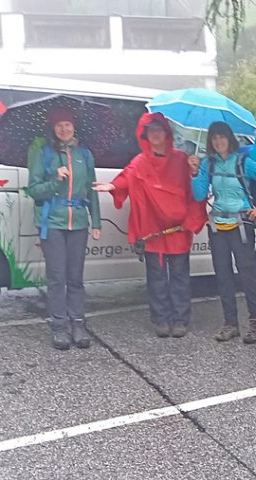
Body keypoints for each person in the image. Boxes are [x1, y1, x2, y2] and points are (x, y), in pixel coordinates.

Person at [93, 112, 207, 338]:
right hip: (153, 230)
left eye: (159, 130)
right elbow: (126, 178)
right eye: (151, 131)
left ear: (166, 133)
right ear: (145, 135)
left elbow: (197, 191)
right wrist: (113, 187)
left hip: (178, 230)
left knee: (179, 276)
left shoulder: (182, 159)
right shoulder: (140, 161)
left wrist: (195, 171)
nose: (155, 134)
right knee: (156, 277)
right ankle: (161, 319)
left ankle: (181, 319)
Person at [189, 121, 256, 344]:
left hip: (241, 225)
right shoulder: (208, 163)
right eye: (214, 138)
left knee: (247, 274)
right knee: (223, 275)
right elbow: (199, 195)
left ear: (229, 138)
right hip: (218, 226)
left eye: (222, 137)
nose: (218, 141)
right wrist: (195, 173)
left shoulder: (243, 162)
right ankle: (230, 324)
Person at [25, 106, 102, 350]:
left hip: (78, 221)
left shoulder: (85, 154)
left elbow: (92, 188)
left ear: (74, 127)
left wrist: (96, 221)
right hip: (53, 222)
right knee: (57, 277)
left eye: (67, 125)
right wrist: (55, 179)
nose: (64, 129)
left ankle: (78, 323)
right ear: (53, 128)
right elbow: (34, 190)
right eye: (59, 125)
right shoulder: (43, 154)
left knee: (75, 278)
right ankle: (59, 326)